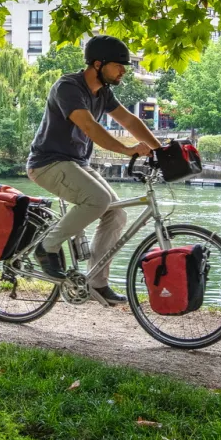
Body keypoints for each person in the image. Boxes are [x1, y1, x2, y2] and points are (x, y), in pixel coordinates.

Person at [27, 34, 162, 306]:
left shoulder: (103, 93)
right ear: (98, 64)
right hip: (47, 163)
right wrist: (126, 150)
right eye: (119, 65)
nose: (125, 70)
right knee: (98, 200)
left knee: (116, 212)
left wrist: (161, 151)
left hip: (77, 163)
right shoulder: (68, 87)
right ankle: (46, 247)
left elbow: (129, 119)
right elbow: (89, 127)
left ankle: (96, 283)